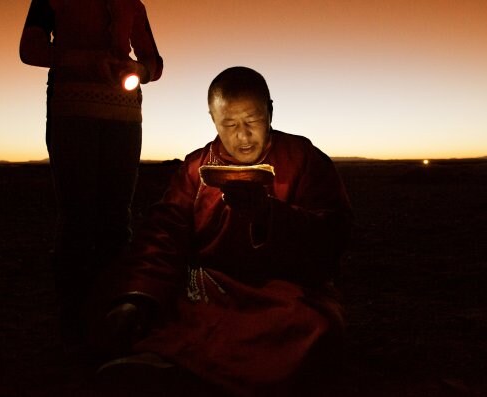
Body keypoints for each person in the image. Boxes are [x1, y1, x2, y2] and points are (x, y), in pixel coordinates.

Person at [90, 66, 352, 396]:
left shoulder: (303, 159)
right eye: (230, 124)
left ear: (270, 111)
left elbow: (333, 234)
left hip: (283, 289)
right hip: (212, 286)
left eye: (252, 121)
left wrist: (270, 215)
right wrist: (138, 294)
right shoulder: (196, 168)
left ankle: (184, 370)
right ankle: (171, 369)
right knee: (154, 305)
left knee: (310, 324)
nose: (243, 136)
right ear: (213, 120)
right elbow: (163, 233)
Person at [19, 0, 163, 343]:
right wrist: (86, 60)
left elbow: (154, 63)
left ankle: (113, 313)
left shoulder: (133, 5)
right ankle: (74, 318)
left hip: (124, 118)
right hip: (73, 111)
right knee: (77, 218)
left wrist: (136, 71)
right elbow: (30, 49)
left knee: (116, 219)